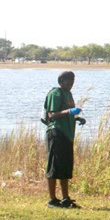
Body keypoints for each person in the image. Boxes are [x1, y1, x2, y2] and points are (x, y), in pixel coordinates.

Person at [45, 71, 86, 209]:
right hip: (56, 133)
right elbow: (52, 115)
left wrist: (76, 117)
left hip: (67, 134)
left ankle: (65, 198)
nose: (70, 86)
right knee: (54, 167)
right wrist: (69, 112)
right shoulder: (55, 93)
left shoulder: (68, 94)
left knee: (65, 167)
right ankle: (52, 200)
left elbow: (66, 113)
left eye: (72, 83)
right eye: (67, 83)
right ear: (61, 82)